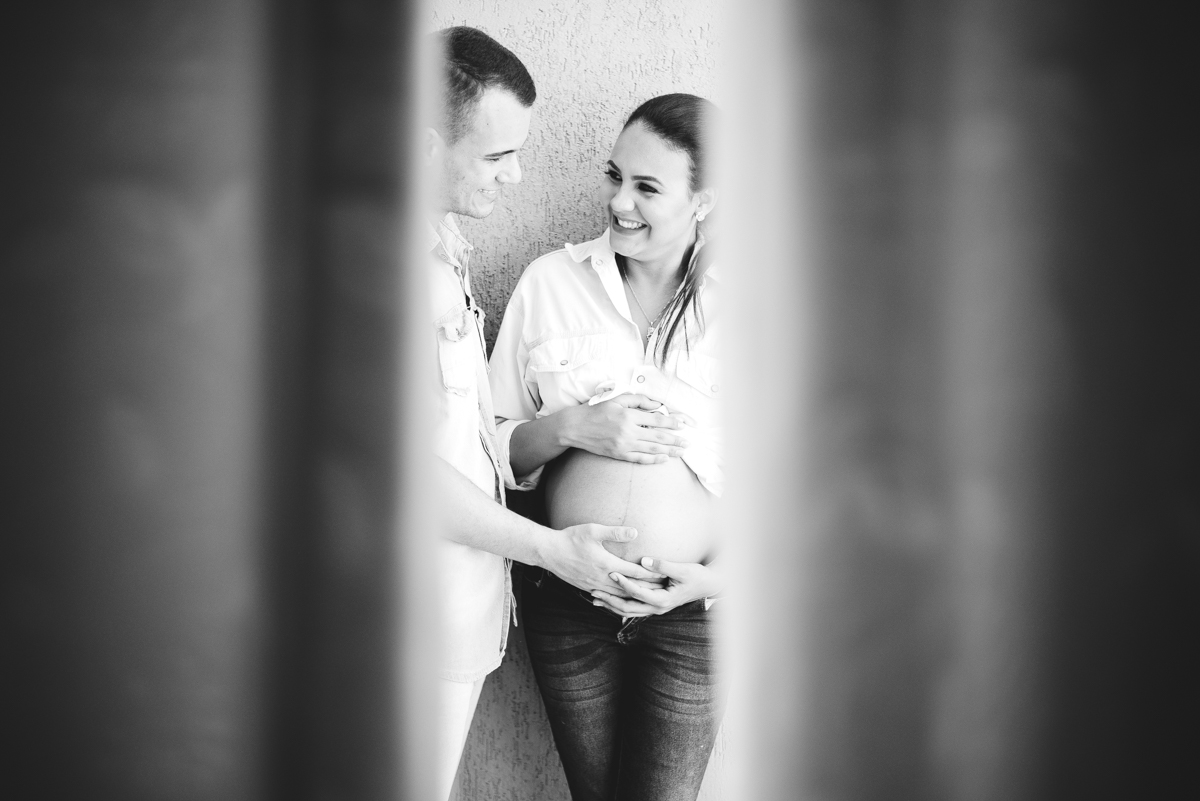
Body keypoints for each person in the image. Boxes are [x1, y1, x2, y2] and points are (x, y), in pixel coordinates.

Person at [423, 27, 664, 801]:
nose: (517, 174)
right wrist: (555, 551)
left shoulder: (439, 247)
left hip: (449, 615)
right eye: (498, 155)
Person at [489, 93, 724, 801]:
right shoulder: (550, 283)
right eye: (614, 176)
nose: (620, 202)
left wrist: (714, 581)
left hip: (694, 613)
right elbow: (491, 453)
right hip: (567, 601)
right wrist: (572, 427)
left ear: (704, 200)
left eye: (647, 186)